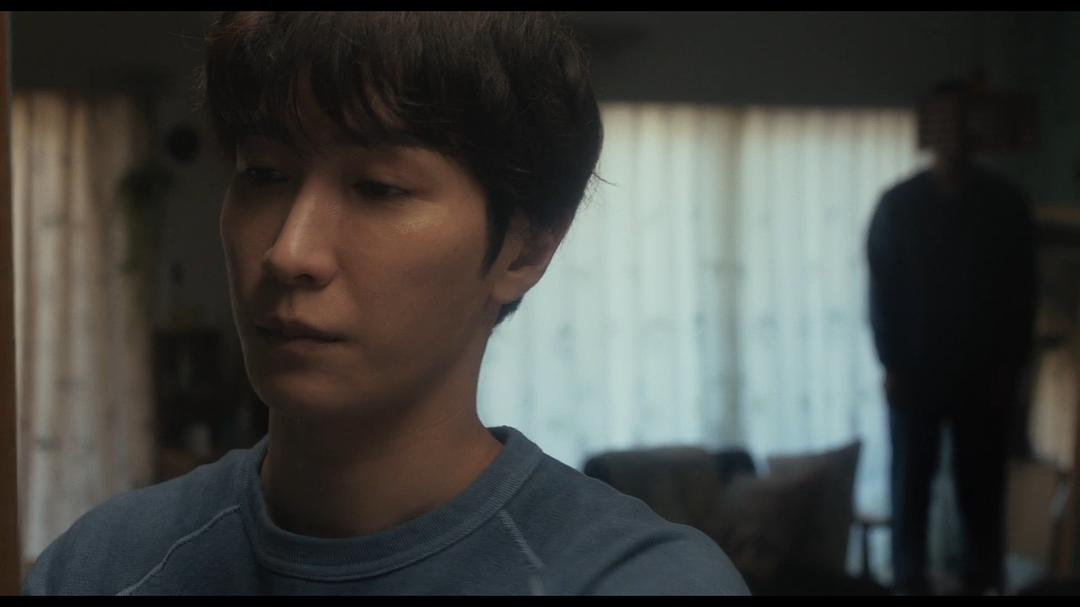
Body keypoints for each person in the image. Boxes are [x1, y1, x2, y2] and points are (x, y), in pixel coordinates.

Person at [22, 12, 747, 596]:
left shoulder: (634, 579)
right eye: (264, 173)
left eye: (378, 188)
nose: (288, 252)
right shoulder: (100, 566)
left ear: (523, 251)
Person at [867, 79, 1037, 595]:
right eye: (946, 122)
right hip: (915, 369)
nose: (956, 134)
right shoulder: (898, 205)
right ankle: (909, 581)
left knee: (981, 488)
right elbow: (881, 291)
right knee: (910, 484)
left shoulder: (1005, 205)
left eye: (965, 121)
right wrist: (891, 363)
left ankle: (984, 580)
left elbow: (1021, 295)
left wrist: (1011, 368)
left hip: (984, 372)